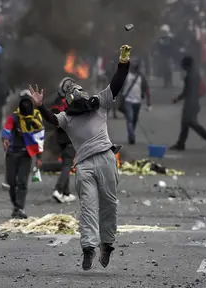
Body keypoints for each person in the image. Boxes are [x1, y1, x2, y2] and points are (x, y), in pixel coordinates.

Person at [27, 45, 131, 271]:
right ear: (65, 99)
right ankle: (88, 248)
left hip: (105, 158)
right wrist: (40, 106)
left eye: (74, 86)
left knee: (109, 205)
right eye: (68, 89)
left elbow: (117, 83)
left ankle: (107, 244)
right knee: (88, 207)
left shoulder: (99, 103)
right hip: (84, 165)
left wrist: (123, 62)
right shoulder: (67, 117)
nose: (74, 90)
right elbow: (51, 120)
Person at [1, 89, 44, 219]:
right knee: (11, 182)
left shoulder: (36, 118)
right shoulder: (14, 117)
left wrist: (39, 157)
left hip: (26, 154)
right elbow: (6, 129)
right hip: (12, 154)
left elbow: (39, 138)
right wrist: (5, 139)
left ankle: (20, 207)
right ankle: (16, 205)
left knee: (22, 182)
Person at [170, 56, 206, 151]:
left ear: (186, 65)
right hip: (194, 102)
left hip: (190, 104)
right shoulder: (195, 73)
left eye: (183, 65)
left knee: (191, 123)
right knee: (185, 124)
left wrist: (177, 98)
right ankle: (181, 143)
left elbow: (187, 91)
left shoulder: (190, 75)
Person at [50, 77, 77, 203]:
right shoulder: (72, 102)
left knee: (66, 162)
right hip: (70, 137)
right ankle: (58, 189)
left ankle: (66, 193)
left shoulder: (56, 102)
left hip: (59, 137)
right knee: (67, 164)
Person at [120, 58, 151, 144]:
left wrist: (148, 102)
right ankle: (131, 136)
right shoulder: (126, 75)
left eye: (136, 67)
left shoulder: (141, 77)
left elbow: (146, 88)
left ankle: (131, 133)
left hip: (138, 101)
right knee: (130, 118)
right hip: (128, 100)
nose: (134, 68)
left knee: (134, 120)